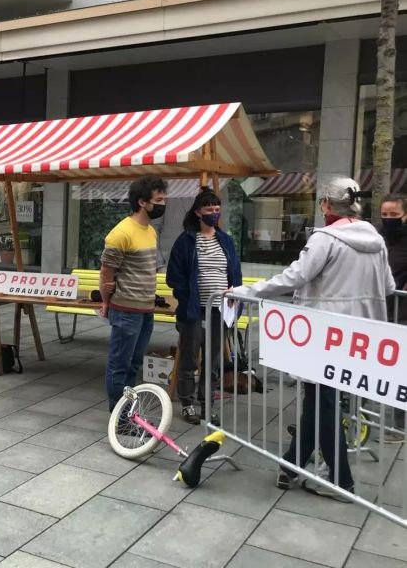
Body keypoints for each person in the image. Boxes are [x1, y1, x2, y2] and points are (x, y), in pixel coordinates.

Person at [233, 176, 395, 501]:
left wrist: (244, 291)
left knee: (324, 405)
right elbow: (389, 286)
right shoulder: (374, 239)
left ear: (326, 204)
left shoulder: (326, 238)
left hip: (324, 335)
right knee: (318, 401)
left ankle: (340, 482)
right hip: (360, 335)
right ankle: (291, 467)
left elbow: (295, 276)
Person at [167, 188, 242, 424]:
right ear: (198, 212)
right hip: (194, 309)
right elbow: (174, 275)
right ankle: (188, 403)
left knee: (213, 360)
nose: (214, 213)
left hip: (220, 310)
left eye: (217, 209)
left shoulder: (226, 240)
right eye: (209, 209)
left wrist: (234, 296)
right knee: (189, 358)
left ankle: (207, 403)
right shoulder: (186, 241)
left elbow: (235, 273)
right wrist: (186, 295)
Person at [99, 175, 167, 410]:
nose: (163, 203)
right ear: (142, 202)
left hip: (146, 309)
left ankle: (127, 411)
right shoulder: (120, 233)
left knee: (134, 363)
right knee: (120, 363)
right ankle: (119, 414)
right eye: (158, 199)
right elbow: (106, 273)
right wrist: (106, 304)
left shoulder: (150, 231)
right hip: (126, 310)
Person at [380, 192, 407, 442]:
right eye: (385, 214)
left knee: (400, 371)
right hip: (378, 312)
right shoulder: (377, 238)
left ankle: (399, 426)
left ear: (405, 215)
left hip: (402, 314)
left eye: (394, 215)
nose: (388, 219)